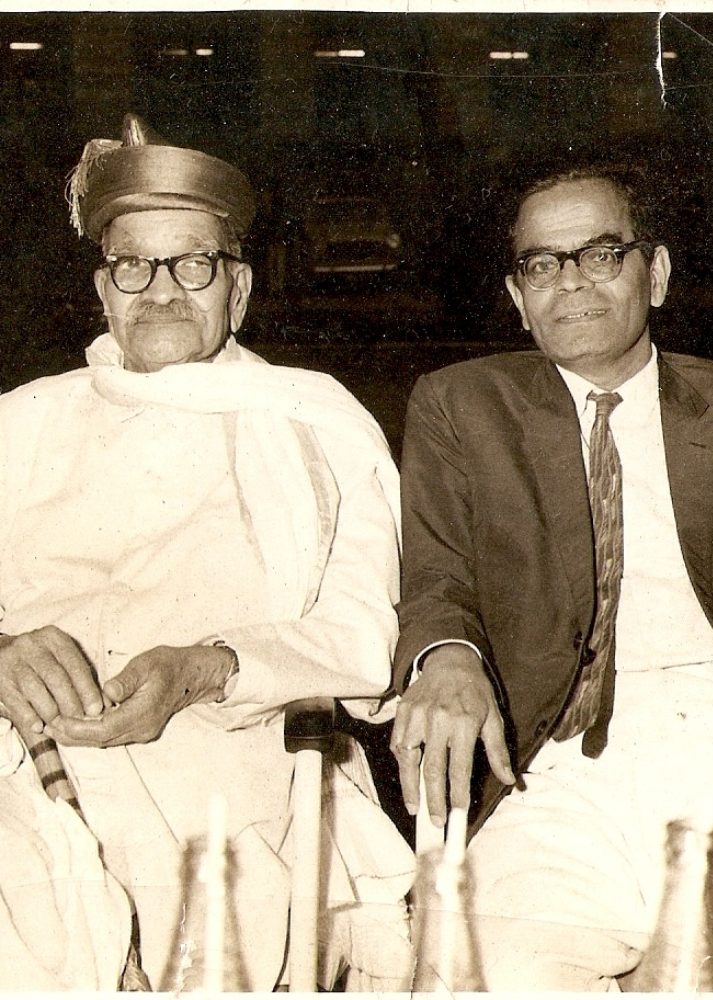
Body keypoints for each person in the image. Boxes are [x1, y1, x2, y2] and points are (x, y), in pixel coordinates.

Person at [0, 113, 414, 991]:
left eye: (193, 265)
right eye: (133, 266)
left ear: (241, 287)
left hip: (237, 763)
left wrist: (206, 668)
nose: (161, 291)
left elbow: (361, 637)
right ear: (102, 288)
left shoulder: (315, 417)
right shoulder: (22, 419)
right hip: (26, 770)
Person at [392, 163, 713, 991]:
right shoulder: (459, 407)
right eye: (542, 265)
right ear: (516, 295)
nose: (568, 283)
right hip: (560, 767)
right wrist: (445, 656)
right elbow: (435, 576)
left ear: (655, 273)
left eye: (600, 255)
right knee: (494, 973)